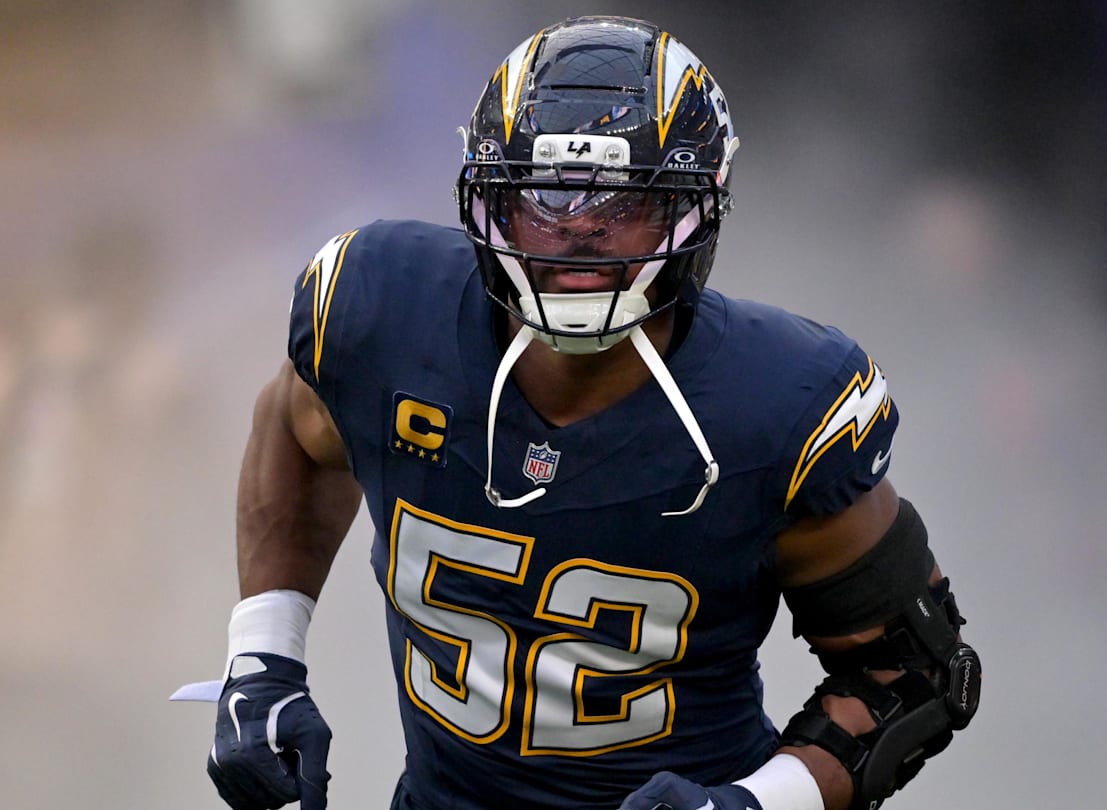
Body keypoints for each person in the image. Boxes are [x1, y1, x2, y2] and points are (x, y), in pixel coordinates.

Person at [201, 16, 979, 810]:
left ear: (694, 207)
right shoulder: (382, 318)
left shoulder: (777, 405)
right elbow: (293, 427)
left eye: (624, 199)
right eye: (546, 195)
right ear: (488, 198)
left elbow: (914, 675)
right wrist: (263, 655)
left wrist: (753, 803)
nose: (578, 231)